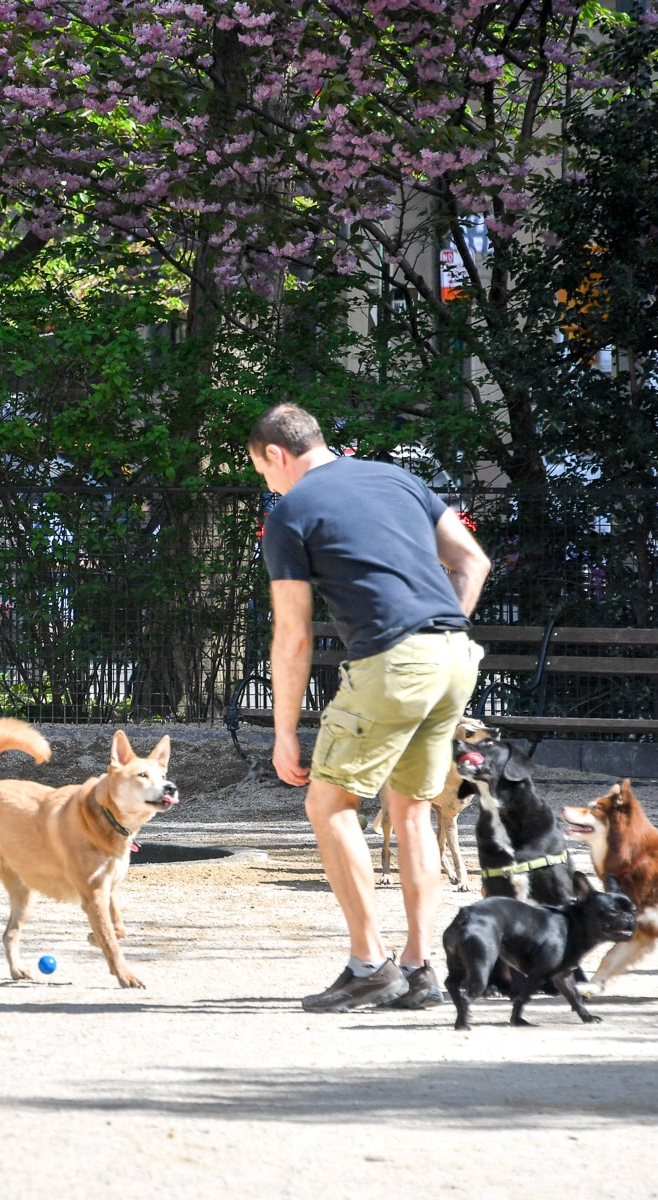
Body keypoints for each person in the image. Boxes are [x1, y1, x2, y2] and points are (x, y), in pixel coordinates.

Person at [248, 404, 490, 1012]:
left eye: (264, 473)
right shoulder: (398, 478)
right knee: (411, 811)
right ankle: (418, 967)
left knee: (329, 802)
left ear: (276, 453)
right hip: (456, 655)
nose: (269, 485)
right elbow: (473, 561)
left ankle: (369, 964)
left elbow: (293, 635)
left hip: (392, 663)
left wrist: (284, 732)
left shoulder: (290, 513)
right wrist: (440, 635)